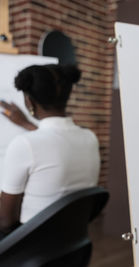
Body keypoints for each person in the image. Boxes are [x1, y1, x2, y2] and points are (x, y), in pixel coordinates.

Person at [0, 64, 100, 238]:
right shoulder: (89, 138)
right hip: (71, 243)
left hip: (30, 246)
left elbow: (6, 220)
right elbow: (56, 142)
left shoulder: (24, 144)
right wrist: (25, 124)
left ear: (29, 102)